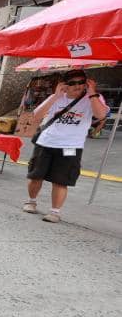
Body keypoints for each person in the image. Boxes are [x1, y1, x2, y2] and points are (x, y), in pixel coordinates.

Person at [22, 69, 109, 223]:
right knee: (36, 175)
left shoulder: (93, 98)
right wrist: (55, 96)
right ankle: (31, 201)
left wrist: (92, 93)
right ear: (64, 85)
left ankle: (54, 212)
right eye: (72, 83)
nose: (77, 86)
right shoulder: (57, 98)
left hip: (71, 146)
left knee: (61, 180)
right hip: (46, 143)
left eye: (81, 82)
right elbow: (37, 115)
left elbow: (101, 115)